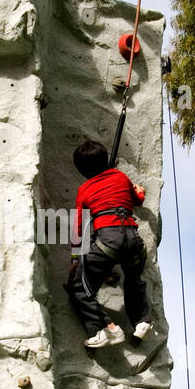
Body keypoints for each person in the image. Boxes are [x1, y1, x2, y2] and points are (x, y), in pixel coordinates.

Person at [67, 139, 152, 348]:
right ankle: (142, 322)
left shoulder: (85, 190)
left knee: (78, 287)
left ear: (82, 170)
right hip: (133, 240)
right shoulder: (121, 177)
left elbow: (80, 227)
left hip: (108, 240)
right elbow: (138, 198)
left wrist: (76, 258)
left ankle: (107, 329)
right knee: (133, 282)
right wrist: (139, 191)